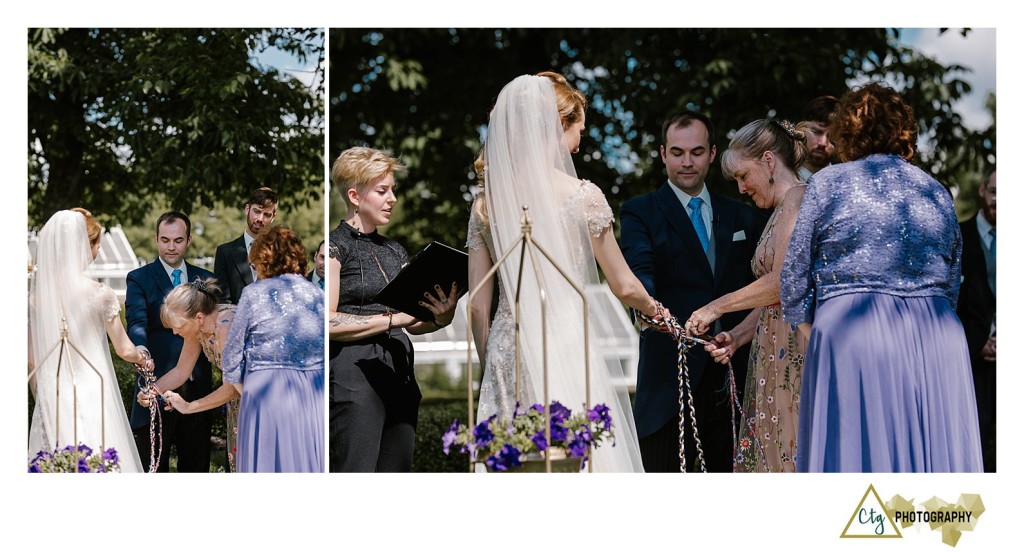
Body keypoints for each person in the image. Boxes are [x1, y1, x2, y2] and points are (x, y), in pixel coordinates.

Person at [467, 74, 669, 473]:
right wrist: (654, 308)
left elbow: (477, 305)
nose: (580, 141)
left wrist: (493, 357)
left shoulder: (486, 204)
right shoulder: (583, 196)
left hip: (509, 345)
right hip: (568, 342)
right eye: (579, 129)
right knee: (578, 456)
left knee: (510, 462)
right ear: (559, 126)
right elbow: (624, 284)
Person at [780, 82, 982, 472]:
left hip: (853, 335)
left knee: (860, 476)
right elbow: (954, 277)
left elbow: (793, 281)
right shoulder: (936, 190)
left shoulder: (828, 183)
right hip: (938, 337)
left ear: (846, 133)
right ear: (904, 132)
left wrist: (822, 332)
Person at [620, 111, 760, 473]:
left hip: (733, 378)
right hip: (667, 380)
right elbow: (640, 272)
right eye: (677, 152)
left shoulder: (744, 216)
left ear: (713, 153)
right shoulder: (639, 213)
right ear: (663, 154)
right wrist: (652, 310)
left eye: (696, 152)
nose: (687, 162)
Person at [684, 119, 808, 472]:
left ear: (768, 161)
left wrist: (715, 307)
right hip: (772, 350)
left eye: (743, 175)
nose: (740, 188)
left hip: (794, 353)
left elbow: (783, 283)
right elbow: (774, 298)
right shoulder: (778, 210)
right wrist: (738, 336)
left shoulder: (798, 199)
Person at [328, 147, 460, 472]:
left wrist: (440, 316)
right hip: (354, 380)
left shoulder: (395, 249)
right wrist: (394, 319)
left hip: (400, 377)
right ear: (356, 196)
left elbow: (412, 322)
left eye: (393, 190)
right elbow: (327, 322)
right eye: (383, 190)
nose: (393, 199)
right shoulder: (333, 246)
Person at [29, 209, 148, 472]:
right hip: (92, 390)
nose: (98, 250)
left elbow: (30, 359)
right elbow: (125, 349)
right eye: (95, 244)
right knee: (96, 455)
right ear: (82, 246)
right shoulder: (99, 293)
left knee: (53, 463)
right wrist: (145, 359)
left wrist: (43, 394)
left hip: (52, 392)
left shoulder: (37, 298)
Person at [216, 225, 324, 472]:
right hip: (311, 394)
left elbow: (231, 357)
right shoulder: (316, 294)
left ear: (263, 259)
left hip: (264, 391)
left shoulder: (254, 294)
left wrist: (248, 391)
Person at [126, 211, 216, 472]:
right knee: (153, 464)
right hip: (158, 376)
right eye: (165, 240)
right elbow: (136, 320)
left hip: (198, 384)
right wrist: (140, 349)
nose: (171, 246)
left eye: (177, 240)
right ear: (156, 239)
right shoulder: (138, 278)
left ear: (188, 240)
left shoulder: (205, 280)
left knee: (196, 465)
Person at [137, 279, 241, 472]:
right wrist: (152, 391)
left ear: (199, 317)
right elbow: (181, 371)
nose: (176, 332)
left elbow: (232, 389)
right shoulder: (198, 328)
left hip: (258, 397)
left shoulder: (226, 326)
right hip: (239, 402)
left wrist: (188, 407)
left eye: (178, 326)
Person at [957, 169, 996, 472]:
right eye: (996, 192)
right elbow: (951, 303)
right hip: (974, 359)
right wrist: (978, 343)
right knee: (977, 443)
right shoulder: (960, 235)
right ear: (983, 191)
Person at [214, 186, 278, 304]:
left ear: (273, 217)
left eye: (267, 215)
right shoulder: (224, 252)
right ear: (247, 209)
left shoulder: (281, 254)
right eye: (257, 211)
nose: (260, 219)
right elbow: (222, 302)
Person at [795, 95, 837, 182]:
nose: (823, 143)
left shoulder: (844, 183)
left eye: (832, 136)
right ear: (801, 129)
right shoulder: (779, 178)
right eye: (817, 132)